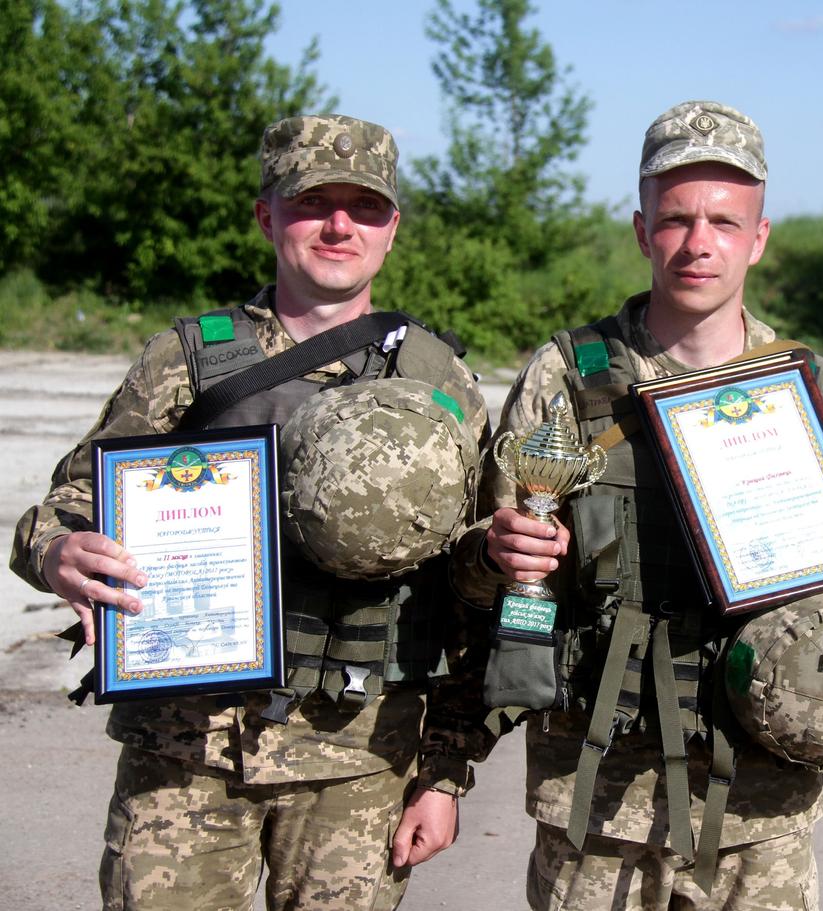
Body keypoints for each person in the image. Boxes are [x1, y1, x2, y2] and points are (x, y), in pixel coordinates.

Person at [11, 114, 490, 910]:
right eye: (312, 202)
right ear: (268, 215)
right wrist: (58, 551)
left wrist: (443, 771)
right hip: (183, 756)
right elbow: (66, 506)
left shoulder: (440, 385)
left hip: (358, 760)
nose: (339, 225)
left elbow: (477, 595)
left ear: (392, 227)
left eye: (364, 207)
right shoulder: (189, 361)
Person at [448, 100, 823, 910]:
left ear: (759, 237)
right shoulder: (566, 376)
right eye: (676, 219)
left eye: (726, 222)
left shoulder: (808, 389)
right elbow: (478, 584)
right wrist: (494, 555)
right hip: (595, 799)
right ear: (640, 229)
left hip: (760, 805)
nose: (700, 243)